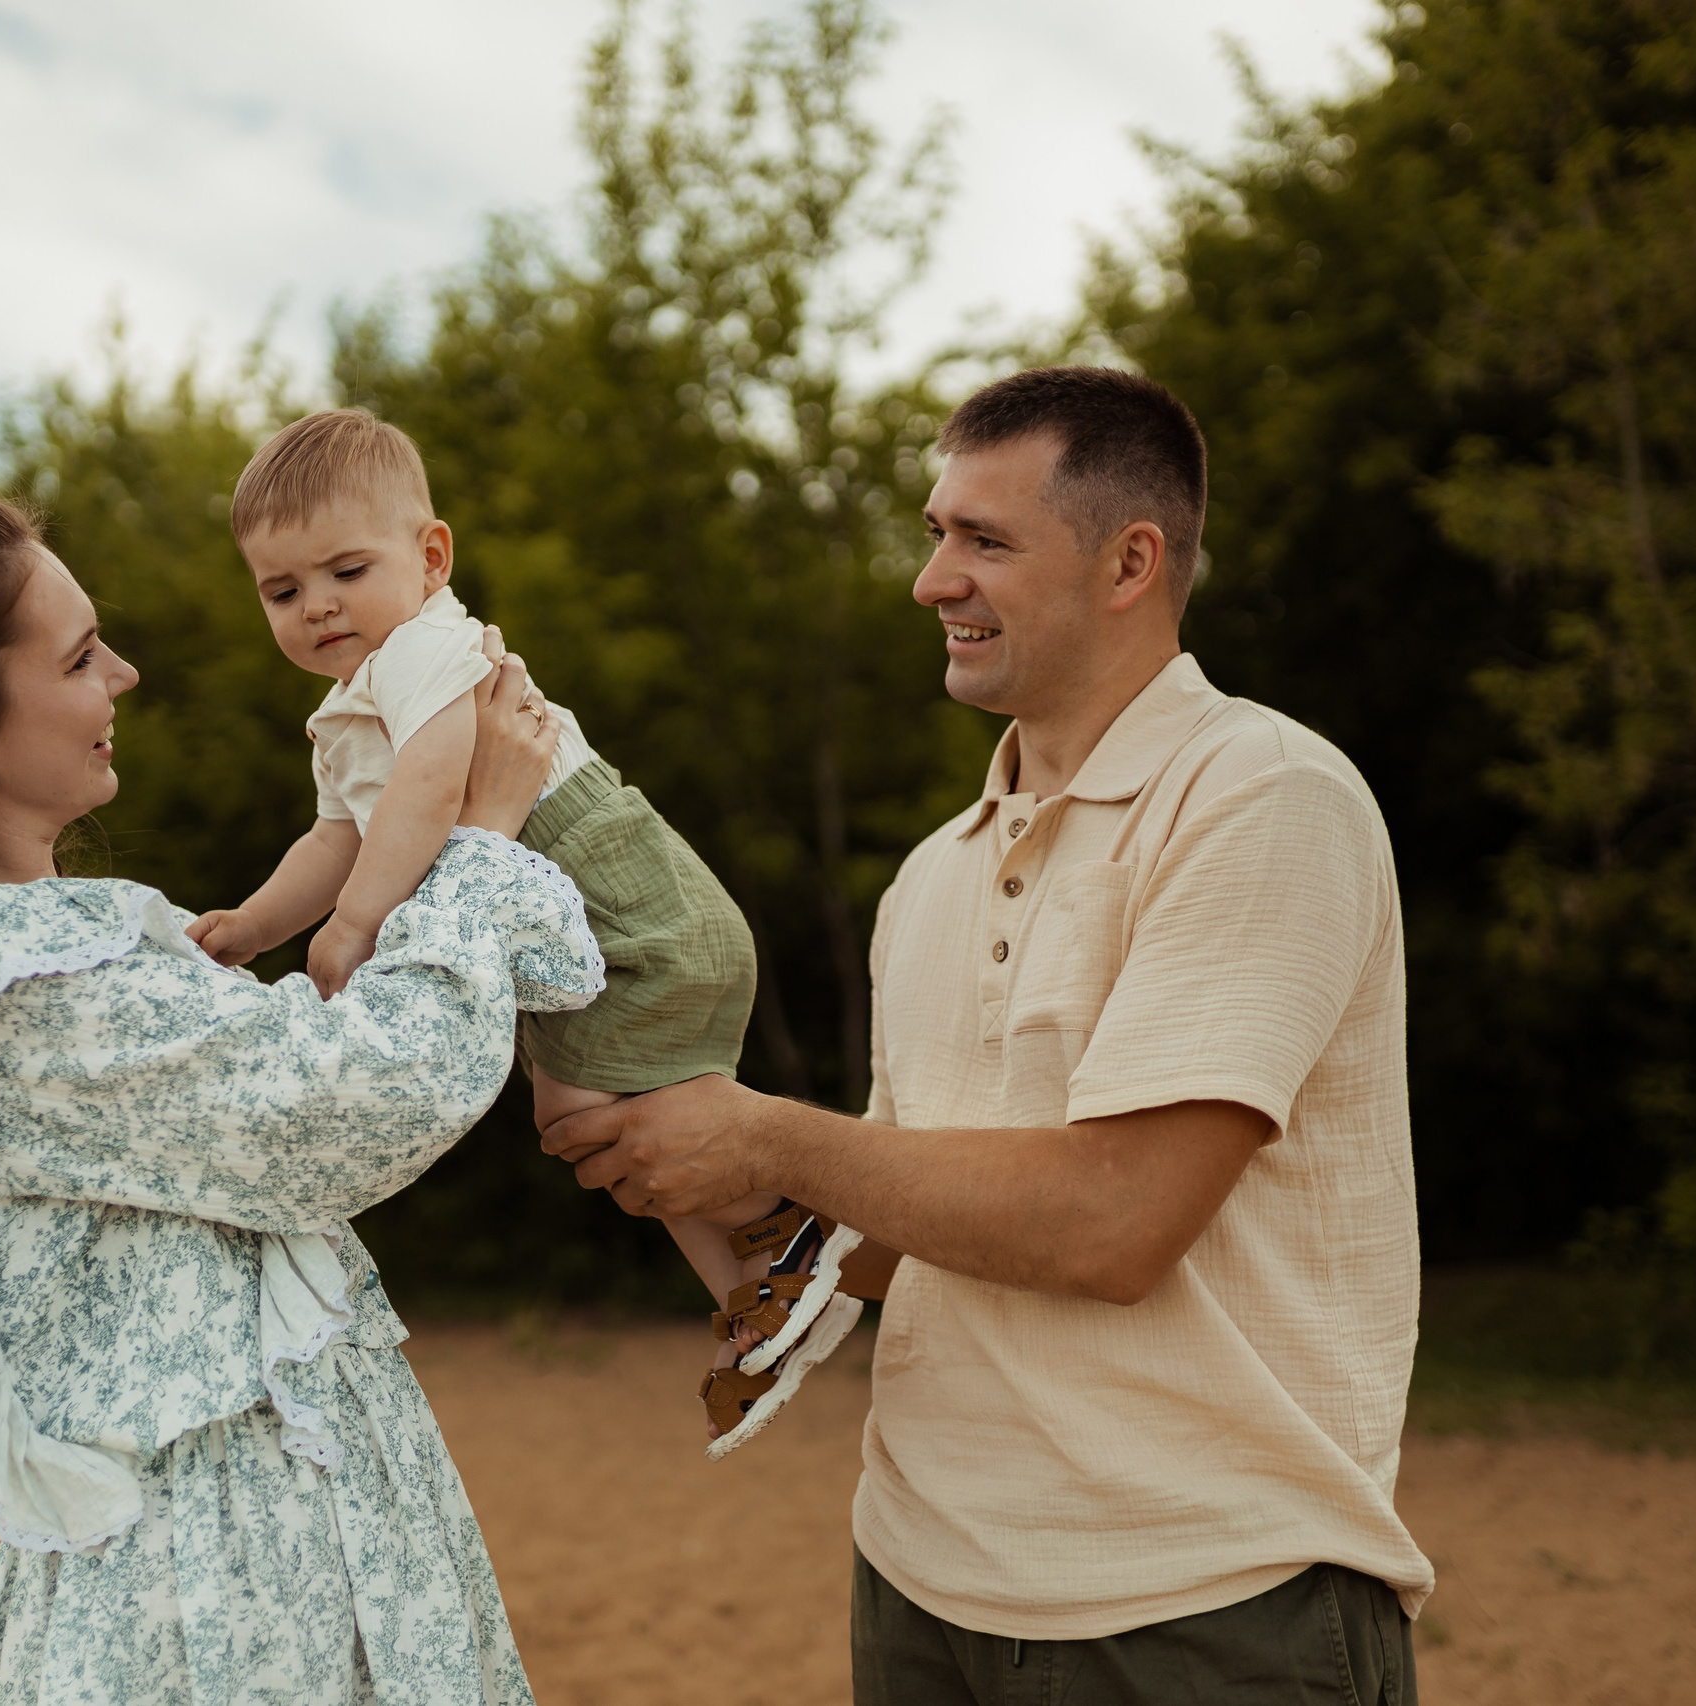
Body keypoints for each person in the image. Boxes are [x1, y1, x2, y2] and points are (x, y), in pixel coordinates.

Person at [545, 368, 1434, 1704]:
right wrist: (653, 1129)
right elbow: (904, 1247)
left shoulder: (1264, 798)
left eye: (985, 540)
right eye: (935, 531)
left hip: (1206, 1608)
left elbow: (1114, 1221)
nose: (931, 580)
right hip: (916, 1596)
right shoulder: (930, 878)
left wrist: (771, 1132)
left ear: (1132, 561)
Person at [0, 487, 599, 1706]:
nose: (122, 675)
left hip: (267, 1535)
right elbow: (356, 1100)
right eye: (79, 656)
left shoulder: (38, 959)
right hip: (220, 1583)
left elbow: (280, 1076)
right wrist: (484, 827)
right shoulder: (3, 987)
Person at [184, 409, 861, 1454]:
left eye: (345, 571)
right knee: (579, 1116)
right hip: (576, 926)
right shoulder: (355, 703)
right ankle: (756, 1286)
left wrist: (359, 922)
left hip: (629, 903)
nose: (317, 605)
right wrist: (253, 925)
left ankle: (790, 1231)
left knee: (585, 1110)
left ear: (430, 555)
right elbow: (331, 835)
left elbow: (429, 779)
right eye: (283, 590)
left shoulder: (427, 649)